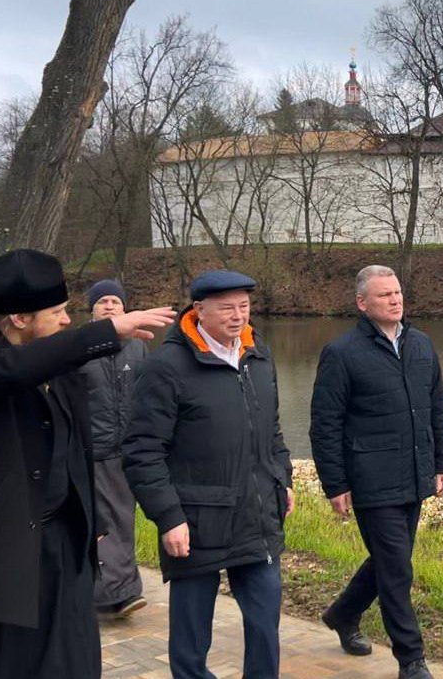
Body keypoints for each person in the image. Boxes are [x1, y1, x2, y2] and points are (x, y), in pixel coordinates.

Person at [0, 249, 176, 678]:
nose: (68, 320)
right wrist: (105, 330)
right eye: (56, 311)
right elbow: (11, 371)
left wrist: (89, 517)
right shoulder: (5, 363)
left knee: (75, 659)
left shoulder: (60, 365)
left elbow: (76, 448)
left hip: (66, 541)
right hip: (9, 556)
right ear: (19, 318)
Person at [123, 270, 293, 679]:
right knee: (191, 636)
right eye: (227, 308)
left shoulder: (258, 355)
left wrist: (281, 477)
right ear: (198, 310)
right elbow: (143, 451)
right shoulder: (167, 367)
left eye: (244, 307)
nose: (238, 316)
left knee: (265, 621)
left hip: (255, 516)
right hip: (196, 521)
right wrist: (169, 517)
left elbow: (270, 429)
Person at [310, 265, 443, 679]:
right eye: (384, 295)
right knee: (397, 570)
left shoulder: (422, 345)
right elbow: (325, 425)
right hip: (371, 481)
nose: (395, 299)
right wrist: (335, 484)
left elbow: (438, 410)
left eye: (398, 292)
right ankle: (411, 660)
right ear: (362, 303)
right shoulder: (342, 354)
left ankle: (343, 614)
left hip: (414, 475)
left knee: (390, 561)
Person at [81, 279, 150, 618]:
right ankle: (120, 593)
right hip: (93, 449)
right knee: (108, 520)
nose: (109, 306)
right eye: (102, 301)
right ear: (91, 308)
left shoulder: (137, 346)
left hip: (130, 450)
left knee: (121, 518)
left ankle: (106, 591)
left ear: (125, 308)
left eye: (115, 301)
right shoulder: (77, 347)